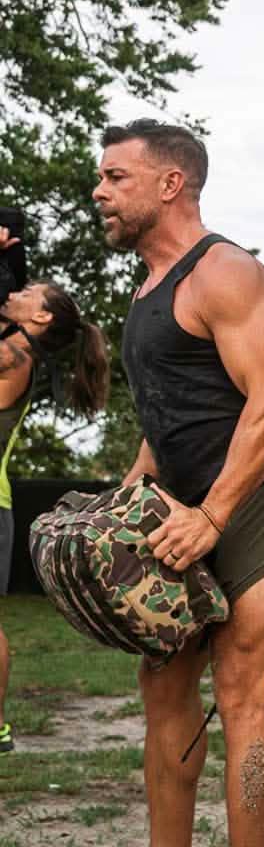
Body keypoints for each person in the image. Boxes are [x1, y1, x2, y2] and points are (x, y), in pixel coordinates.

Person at [93, 119, 264, 847]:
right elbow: (166, 422)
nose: (99, 191)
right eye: (101, 178)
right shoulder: (148, 293)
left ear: (171, 184)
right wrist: (126, 504)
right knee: (164, 691)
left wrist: (215, 517)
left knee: (239, 686)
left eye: (116, 177)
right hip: (188, 504)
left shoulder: (225, 272)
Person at [0, 226, 111, 754]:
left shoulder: (16, 358)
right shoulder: (11, 342)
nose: (14, 295)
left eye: (26, 293)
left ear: (40, 318)